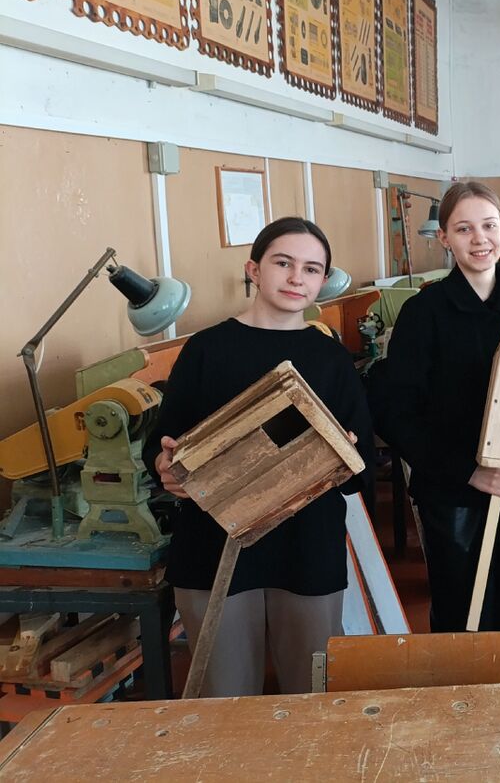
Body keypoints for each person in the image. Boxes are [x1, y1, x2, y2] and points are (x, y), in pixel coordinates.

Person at [146, 217, 374, 697]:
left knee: (313, 697)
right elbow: (163, 443)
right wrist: (165, 467)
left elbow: (361, 468)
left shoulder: (331, 358)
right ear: (253, 270)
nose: (296, 278)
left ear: (322, 281)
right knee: (224, 699)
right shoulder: (207, 349)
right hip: (215, 546)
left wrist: (345, 455)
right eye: (283, 263)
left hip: (306, 547)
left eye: (311, 269)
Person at [376, 180, 500, 633]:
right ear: (445, 238)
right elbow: (396, 414)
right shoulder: (423, 314)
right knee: (464, 622)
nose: (479, 239)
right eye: (464, 229)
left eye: (489, 226)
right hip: (454, 498)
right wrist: (470, 471)